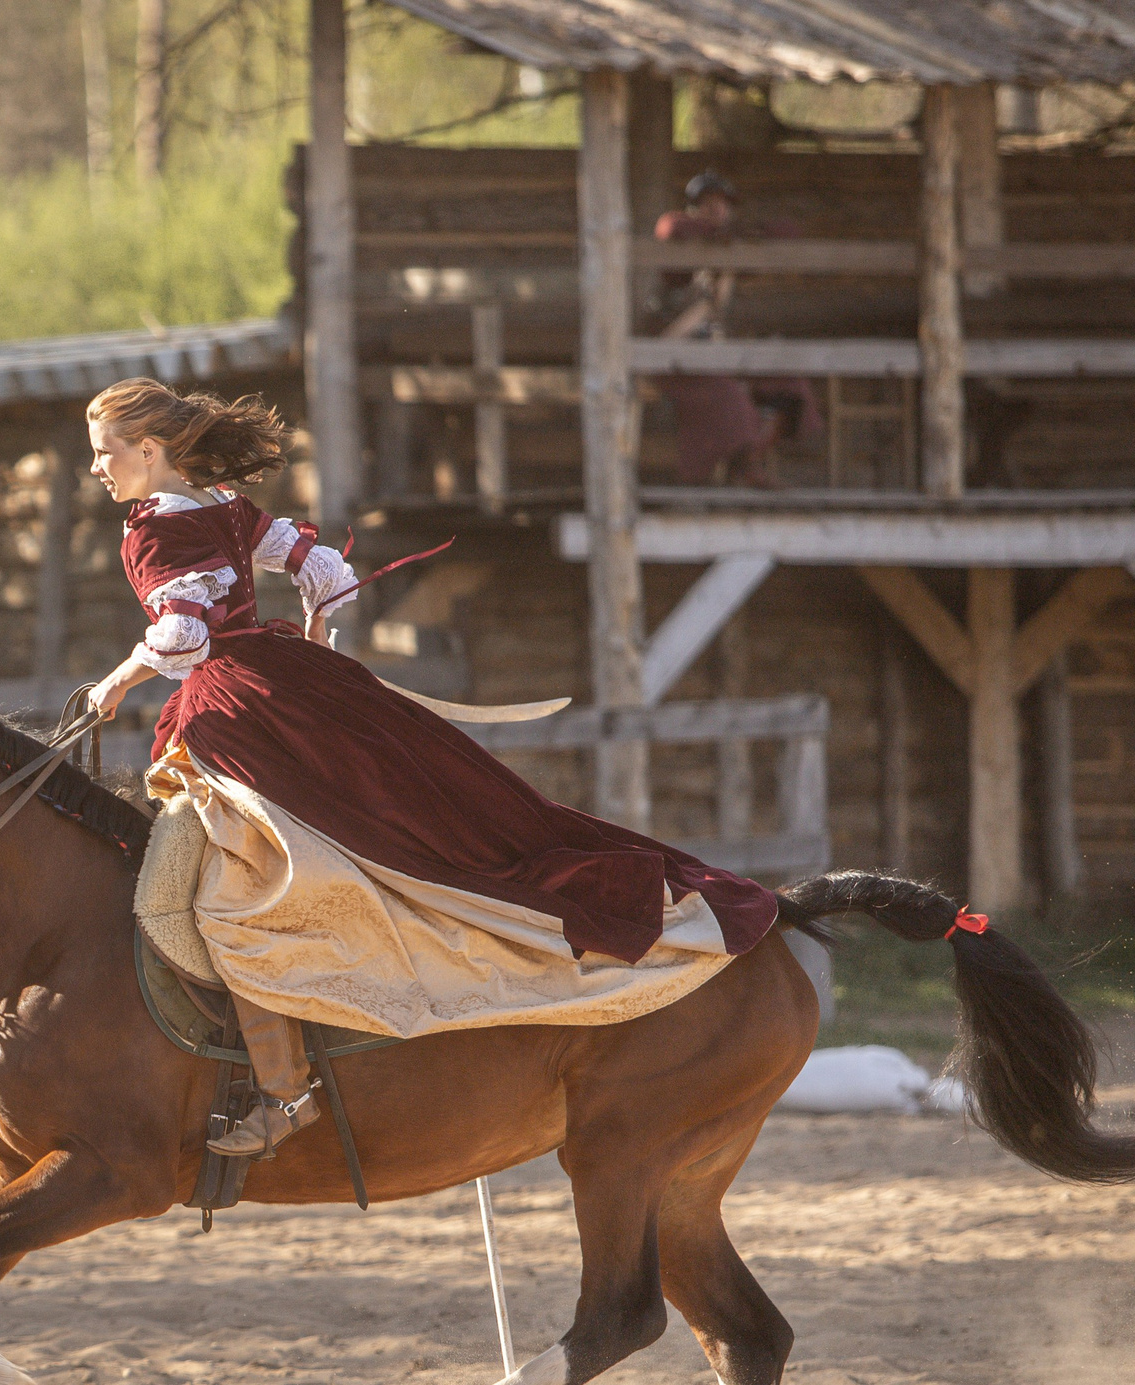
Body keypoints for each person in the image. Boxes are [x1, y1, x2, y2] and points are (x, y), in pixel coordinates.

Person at [81, 378, 776, 1149]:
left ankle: (285, 1089)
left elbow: (183, 636)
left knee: (222, 896)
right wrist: (313, 639)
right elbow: (325, 572)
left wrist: (114, 683)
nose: (99, 469)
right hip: (291, 687)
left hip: (239, 715)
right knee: (411, 835)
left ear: (149, 451)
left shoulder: (152, 534)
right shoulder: (223, 506)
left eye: (105, 453)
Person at [653, 170, 823, 486]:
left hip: (716, 351)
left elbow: (788, 232)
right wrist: (715, 235)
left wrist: (740, 236)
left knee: (787, 380)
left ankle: (748, 464)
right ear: (693, 208)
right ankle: (723, 473)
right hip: (675, 354)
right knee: (726, 395)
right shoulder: (680, 241)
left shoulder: (731, 245)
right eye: (707, 204)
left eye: (722, 204)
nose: (716, 209)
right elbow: (671, 226)